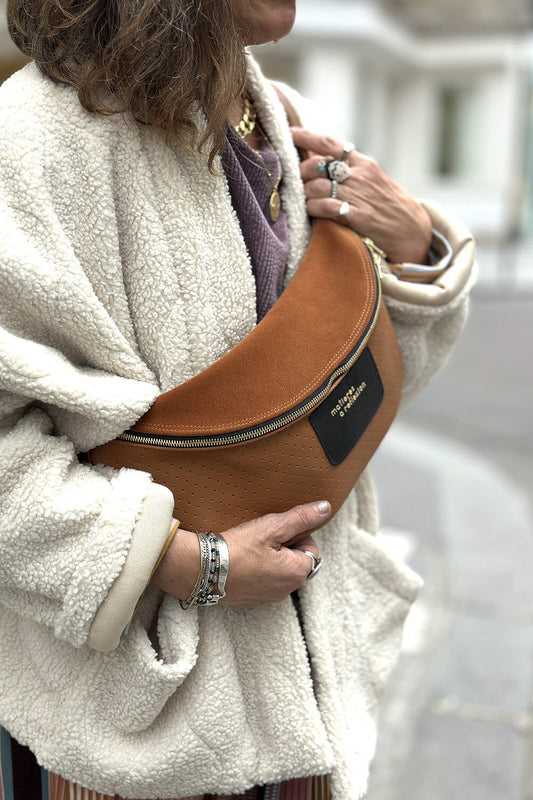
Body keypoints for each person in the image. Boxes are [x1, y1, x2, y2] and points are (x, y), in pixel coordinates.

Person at [0, 1, 475, 799]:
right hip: (131, 726)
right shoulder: (31, 145)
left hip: (311, 694)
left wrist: (407, 247)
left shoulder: (283, 122)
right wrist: (183, 563)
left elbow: (345, 399)